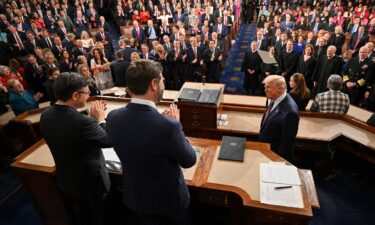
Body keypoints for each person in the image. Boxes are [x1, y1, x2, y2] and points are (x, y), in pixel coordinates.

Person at [106, 60, 196, 225]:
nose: (163, 83)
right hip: (170, 203)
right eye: (161, 79)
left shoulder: (112, 117)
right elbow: (189, 160)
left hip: (137, 199)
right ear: (154, 84)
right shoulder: (169, 126)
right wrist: (178, 126)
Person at [40, 73, 111, 225]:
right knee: (98, 216)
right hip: (91, 183)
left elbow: (72, 134)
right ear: (75, 95)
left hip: (67, 180)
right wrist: (100, 119)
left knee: (82, 215)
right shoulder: (82, 122)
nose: (89, 94)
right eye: (86, 92)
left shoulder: (45, 115)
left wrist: (91, 119)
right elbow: (107, 140)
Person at [259, 75, 299, 161]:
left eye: (268, 87)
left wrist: (278, 161)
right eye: (265, 87)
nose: (265, 90)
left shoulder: (290, 112)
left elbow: (287, 143)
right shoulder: (275, 98)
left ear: (280, 89)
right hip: (266, 151)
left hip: (274, 157)